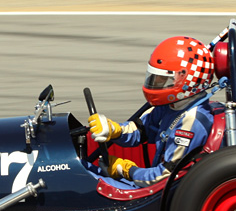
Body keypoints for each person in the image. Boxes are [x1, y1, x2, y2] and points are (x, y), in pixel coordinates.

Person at [88, 36, 217, 187]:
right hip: (151, 183)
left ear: (187, 81)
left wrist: (127, 170)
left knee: (81, 180)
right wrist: (114, 130)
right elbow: (142, 130)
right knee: (84, 169)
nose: (156, 83)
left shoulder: (191, 120)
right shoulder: (172, 105)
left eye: (163, 78)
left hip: (163, 192)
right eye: (154, 77)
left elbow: (166, 176)